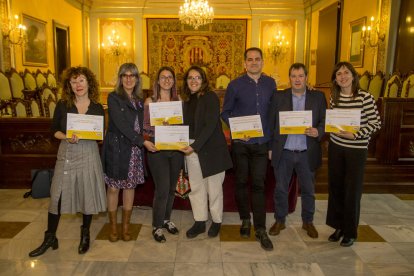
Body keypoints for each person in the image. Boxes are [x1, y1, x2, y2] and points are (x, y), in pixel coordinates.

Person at [28, 66, 107, 257]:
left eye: (81, 80)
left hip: (88, 153)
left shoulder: (97, 107)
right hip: (68, 152)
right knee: (57, 195)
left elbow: (101, 135)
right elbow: (53, 130)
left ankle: (85, 234)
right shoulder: (63, 104)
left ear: (89, 82)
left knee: (86, 193)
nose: (78, 85)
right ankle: (50, 237)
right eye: (73, 81)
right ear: (68, 85)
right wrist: (65, 136)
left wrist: (100, 135)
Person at [221, 47, 275, 251]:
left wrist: (271, 144)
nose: (254, 62)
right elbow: (225, 113)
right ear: (244, 63)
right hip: (241, 145)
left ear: (262, 62)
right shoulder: (234, 85)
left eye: (257, 59)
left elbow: (272, 114)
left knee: (259, 185)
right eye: (250, 59)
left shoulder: (271, 83)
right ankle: (245, 219)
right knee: (242, 183)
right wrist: (237, 129)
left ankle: (261, 228)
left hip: (262, 144)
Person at [268, 63, 327, 239]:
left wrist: (319, 131)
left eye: (301, 76)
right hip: (284, 151)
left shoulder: (318, 97)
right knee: (280, 189)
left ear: (306, 77)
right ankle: (280, 220)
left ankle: (308, 221)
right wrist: (270, 148)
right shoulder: (279, 97)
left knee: (308, 190)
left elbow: (324, 120)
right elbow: (271, 123)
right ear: (289, 78)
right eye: (294, 76)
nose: (297, 79)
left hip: (306, 152)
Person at [326, 61, 381, 247]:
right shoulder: (334, 97)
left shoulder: (365, 97)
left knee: (352, 191)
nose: (342, 77)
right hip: (336, 147)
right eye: (339, 74)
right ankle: (338, 227)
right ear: (335, 79)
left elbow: (375, 124)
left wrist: (355, 134)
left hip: (356, 150)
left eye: (346, 73)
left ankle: (350, 231)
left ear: (353, 75)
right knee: (336, 189)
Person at [102, 63, 157, 242]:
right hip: (118, 149)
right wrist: (144, 142)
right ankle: (113, 227)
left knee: (130, 186)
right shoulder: (113, 98)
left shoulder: (140, 100)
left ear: (137, 79)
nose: (128, 79)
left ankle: (125, 227)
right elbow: (122, 125)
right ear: (120, 78)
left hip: (134, 150)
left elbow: (147, 125)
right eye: (125, 75)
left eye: (132, 75)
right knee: (113, 187)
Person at [179, 65, 232, 239]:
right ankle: (200, 221)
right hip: (191, 149)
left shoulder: (210, 97)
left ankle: (216, 221)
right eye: (190, 78)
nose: (194, 81)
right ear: (186, 82)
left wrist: (195, 146)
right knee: (196, 187)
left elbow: (210, 126)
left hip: (211, 148)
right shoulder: (186, 100)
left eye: (197, 78)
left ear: (203, 80)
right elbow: (183, 125)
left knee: (214, 188)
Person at [143, 66, 184, 243]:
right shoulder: (150, 101)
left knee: (171, 189)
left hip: (175, 150)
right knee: (162, 189)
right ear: (157, 81)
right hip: (157, 150)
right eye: (163, 77)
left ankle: (166, 219)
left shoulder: (179, 100)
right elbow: (145, 127)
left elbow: (183, 125)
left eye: (170, 77)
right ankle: (157, 225)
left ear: (174, 81)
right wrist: (158, 127)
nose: (166, 80)